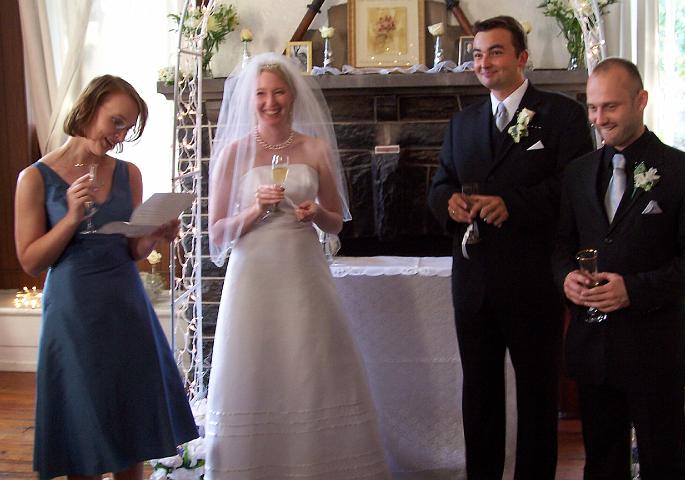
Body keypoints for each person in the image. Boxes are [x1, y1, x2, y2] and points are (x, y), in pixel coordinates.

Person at [205, 52, 390, 479]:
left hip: (302, 270)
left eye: (278, 92)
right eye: (261, 94)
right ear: (250, 99)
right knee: (256, 361)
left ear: (293, 95)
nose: (270, 102)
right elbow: (216, 232)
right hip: (253, 274)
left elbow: (336, 220)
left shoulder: (315, 148)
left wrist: (316, 214)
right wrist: (255, 210)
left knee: (308, 359)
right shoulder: (234, 153)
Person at [427, 15, 594, 480]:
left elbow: (575, 189)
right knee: (478, 394)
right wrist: (449, 203)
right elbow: (439, 184)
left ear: (522, 57)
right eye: (477, 54)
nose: (484, 62)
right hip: (474, 283)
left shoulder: (561, 116)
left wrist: (513, 205)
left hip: (533, 281)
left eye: (495, 52)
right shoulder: (462, 123)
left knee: (538, 396)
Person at [14, 75, 198, 480]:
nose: (120, 136)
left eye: (127, 129)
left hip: (126, 309)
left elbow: (132, 251)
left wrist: (155, 234)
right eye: (116, 122)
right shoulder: (34, 178)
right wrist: (71, 218)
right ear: (89, 108)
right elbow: (30, 261)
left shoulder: (129, 174)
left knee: (132, 430)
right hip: (73, 313)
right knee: (84, 435)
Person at [553, 57, 685, 479]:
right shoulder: (577, 173)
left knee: (665, 464)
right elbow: (560, 245)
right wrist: (566, 278)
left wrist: (634, 289)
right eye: (593, 108)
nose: (599, 119)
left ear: (641, 100)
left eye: (610, 107)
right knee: (602, 464)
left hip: (654, 349)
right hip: (593, 349)